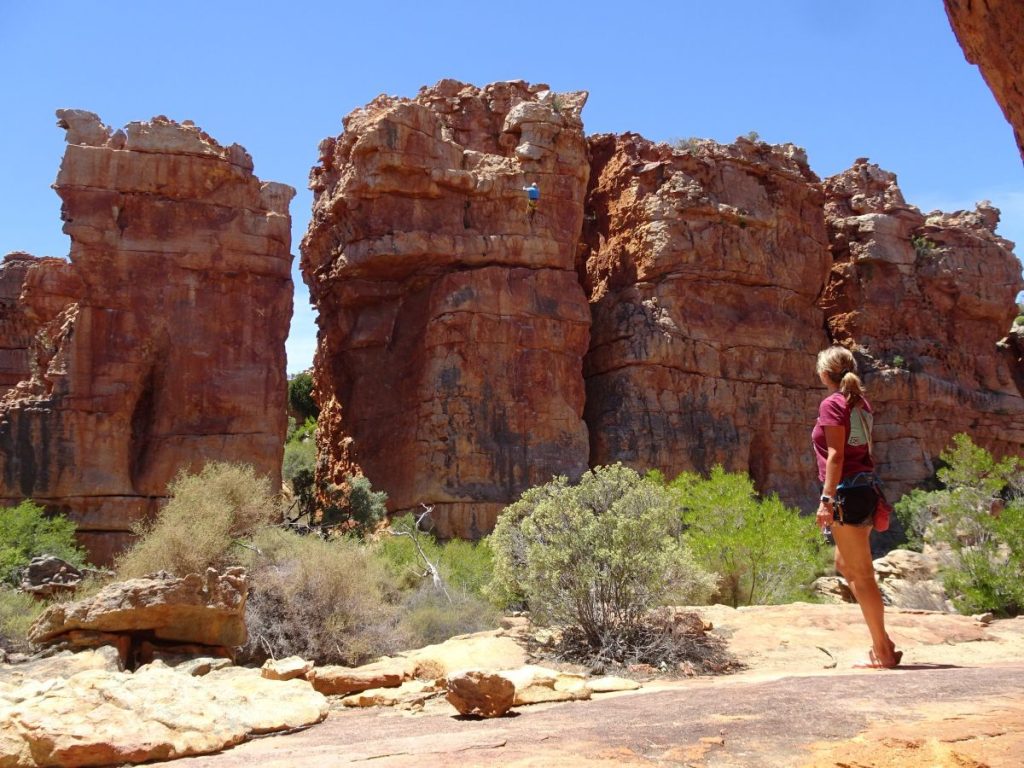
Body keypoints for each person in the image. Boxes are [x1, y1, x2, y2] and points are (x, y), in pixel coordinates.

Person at [811, 345, 902, 669]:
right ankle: (884, 643)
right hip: (863, 489)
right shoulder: (860, 403)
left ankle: (883, 651)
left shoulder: (832, 404)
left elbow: (835, 455)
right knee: (845, 565)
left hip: (846, 493)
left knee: (862, 575)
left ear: (825, 373)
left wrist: (826, 499)